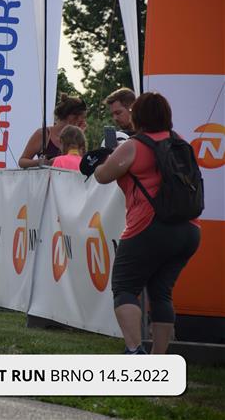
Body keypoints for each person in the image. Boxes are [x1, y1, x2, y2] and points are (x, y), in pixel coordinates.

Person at [92, 92, 200, 354]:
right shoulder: (180, 141)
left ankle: (134, 352)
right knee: (161, 293)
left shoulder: (133, 146)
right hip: (189, 229)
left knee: (124, 286)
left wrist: (102, 160)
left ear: (137, 115)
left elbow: (102, 176)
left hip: (149, 226)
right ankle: (158, 360)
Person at [18, 93, 87, 168]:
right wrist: (41, 162)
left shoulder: (76, 137)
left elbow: (79, 163)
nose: (84, 122)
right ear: (72, 117)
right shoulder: (44, 134)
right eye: (82, 118)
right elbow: (22, 161)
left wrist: (79, 138)